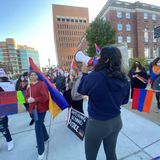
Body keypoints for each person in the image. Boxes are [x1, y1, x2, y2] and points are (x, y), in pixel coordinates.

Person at [78, 45, 130, 160]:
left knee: (90, 157)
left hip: (97, 124)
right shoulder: (124, 79)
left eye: (100, 57)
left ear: (105, 60)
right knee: (111, 154)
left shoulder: (95, 77)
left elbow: (81, 90)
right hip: (116, 122)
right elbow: (124, 101)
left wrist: (85, 73)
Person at [25, 71, 49, 160]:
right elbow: (26, 98)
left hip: (41, 109)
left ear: (37, 76)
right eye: (31, 75)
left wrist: (34, 99)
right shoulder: (29, 87)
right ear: (29, 77)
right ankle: (46, 137)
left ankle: (41, 150)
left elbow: (45, 97)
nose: (33, 76)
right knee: (40, 124)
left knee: (37, 128)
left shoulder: (42, 84)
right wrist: (28, 100)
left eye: (34, 74)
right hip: (33, 110)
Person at [0, 83, 14, 151]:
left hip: (1, 112)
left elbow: (4, 96)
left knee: (3, 128)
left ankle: (9, 141)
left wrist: (4, 111)